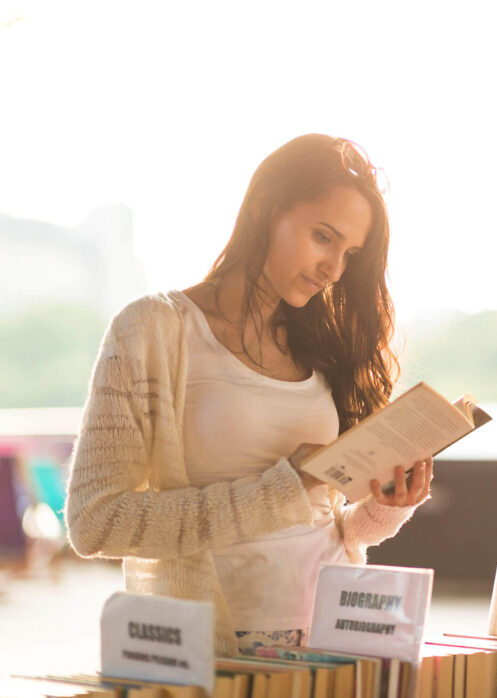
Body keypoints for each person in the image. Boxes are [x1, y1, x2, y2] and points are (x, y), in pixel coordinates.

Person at [65, 134, 433, 657]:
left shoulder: (317, 345)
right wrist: (285, 486)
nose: (333, 270)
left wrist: (385, 508)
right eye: (323, 236)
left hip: (338, 636)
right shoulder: (152, 330)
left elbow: (322, 521)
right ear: (266, 208)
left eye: (349, 254)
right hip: (221, 647)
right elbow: (95, 522)